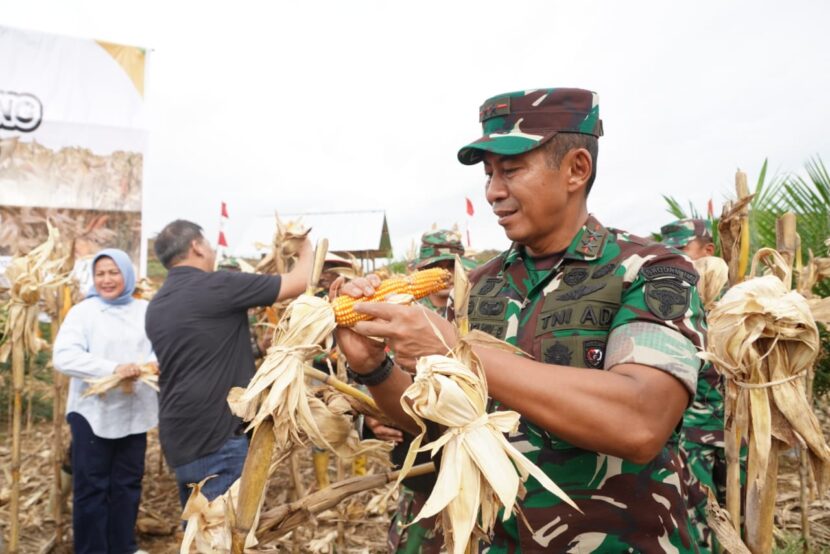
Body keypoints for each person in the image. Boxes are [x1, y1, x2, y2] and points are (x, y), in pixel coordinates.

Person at [334, 88, 708, 552]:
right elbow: (437, 428)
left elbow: (641, 422)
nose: (493, 191)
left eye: (511, 170)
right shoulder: (478, 286)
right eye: (489, 174)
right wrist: (374, 368)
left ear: (576, 169)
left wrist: (458, 351)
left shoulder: (650, 272)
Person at [144, 219, 312, 507]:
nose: (211, 251)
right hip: (218, 437)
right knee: (221, 537)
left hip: (178, 437)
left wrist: (258, 349)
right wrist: (305, 246)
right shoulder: (218, 284)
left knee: (199, 532)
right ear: (196, 246)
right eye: (208, 244)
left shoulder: (156, 305)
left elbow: (197, 354)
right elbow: (299, 282)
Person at [53, 248, 157, 554]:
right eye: (100, 273)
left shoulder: (145, 311)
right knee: (92, 486)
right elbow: (64, 356)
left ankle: (123, 545)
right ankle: (91, 548)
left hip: (133, 411)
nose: (107, 279)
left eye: (114, 272)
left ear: (127, 275)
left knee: (127, 482)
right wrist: (112, 370)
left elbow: (160, 348)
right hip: (92, 412)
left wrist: (150, 365)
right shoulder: (83, 313)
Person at [380, 228, 470, 553]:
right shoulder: (398, 319)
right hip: (419, 468)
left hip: (469, 465)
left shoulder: (481, 310)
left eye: (451, 266)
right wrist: (373, 421)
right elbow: (372, 385)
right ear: (418, 271)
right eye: (436, 267)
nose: (444, 275)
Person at [661, 218, 726, 551]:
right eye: (668, 251)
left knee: (742, 515)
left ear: (708, 251)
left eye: (682, 250)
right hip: (694, 433)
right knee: (698, 516)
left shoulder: (740, 305)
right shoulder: (670, 304)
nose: (675, 259)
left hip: (739, 432)